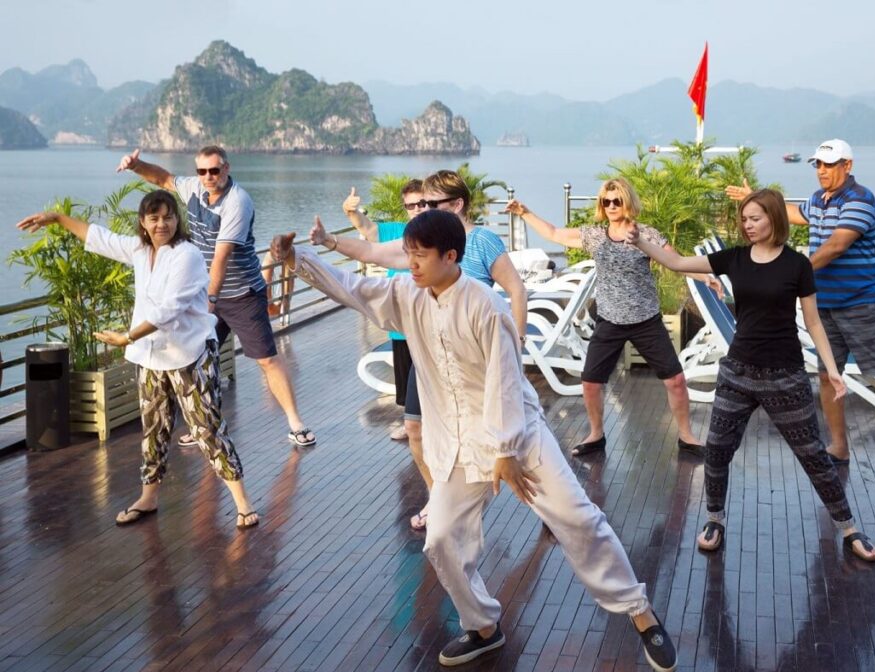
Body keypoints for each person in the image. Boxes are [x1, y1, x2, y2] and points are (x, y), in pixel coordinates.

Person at [270, 210, 678, 672]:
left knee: (578, 520)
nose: (411, 263)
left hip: (518, 436)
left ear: (450, 256)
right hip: (458, 440)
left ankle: (640, 613)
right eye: (409, 254)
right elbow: (351, 288)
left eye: (420, 255)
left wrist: (505, 451)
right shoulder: (406, 294)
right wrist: (296, 259)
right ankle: (483, 625)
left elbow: (506, 379)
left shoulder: (485, 304)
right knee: (441, 537)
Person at [629, 189, 875, 561]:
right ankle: (715, 518)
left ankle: (848, 526)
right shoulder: (735, 258)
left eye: (755, 218)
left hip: (785, 375)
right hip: (739, 371)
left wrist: (831, 370)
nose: (747, 225)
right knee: (716, 451)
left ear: (774, 219)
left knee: (812, 454)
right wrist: (643, 243)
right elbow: (679, 263)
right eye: (744, 219)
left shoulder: (797, 266)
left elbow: (812, 321)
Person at [16, 191, 259, 529]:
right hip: (151, 357)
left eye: (168, 216)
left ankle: (243, 503)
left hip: (189, 355)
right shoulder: (140, 250)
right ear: (143, 223)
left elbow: (169, 310)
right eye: (154, 217)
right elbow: (99, 237)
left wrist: (126, 337)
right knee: (154, 429)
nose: (162, 223)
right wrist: (57, 219)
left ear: (177, 219)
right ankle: (148, 498)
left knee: (207, 429)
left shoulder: (187, 255)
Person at [312, 169, 528, 530]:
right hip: (428, 346)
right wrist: (328, 241)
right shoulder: (421, 240)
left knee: (508, 441)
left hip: (475, 354)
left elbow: (516, 290)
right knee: (415, 429)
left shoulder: (483, 242)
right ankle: (439, 500)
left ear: (456, 204)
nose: (422, 208)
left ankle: (549, 504)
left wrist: (516, 343)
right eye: (419, 202)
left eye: (431, 202)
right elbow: (371, 251)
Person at [726, 140, 875, 479]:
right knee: (830, 376)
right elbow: (794, 213)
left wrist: (791, 273)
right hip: (824, 304)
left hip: (861, 303)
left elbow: (836, 245)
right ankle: (839, 447)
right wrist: (755, 198)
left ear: (848, 165)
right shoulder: (818, 200)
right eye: (818, 165)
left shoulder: (861, 199)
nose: (822, 171)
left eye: (830, 164)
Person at [116, 146, 316, 448]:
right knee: (198, 360)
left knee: (266, 360)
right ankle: (204, 426)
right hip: (206, 293)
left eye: (215, 170)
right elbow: (163, 179)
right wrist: (136, 165)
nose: (208, 176)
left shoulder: (238, 201)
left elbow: (221, 256)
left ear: (227, 168)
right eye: (202, 171)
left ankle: (296, 423)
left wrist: (208, 302)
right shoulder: (194, 189)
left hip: (242, 294)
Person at [506, 178, 705, 458]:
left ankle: (686, 436)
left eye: (617, 200)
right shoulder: (595, 235)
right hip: (609, 320)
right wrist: (525, 213)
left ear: (628, 202)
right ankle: (596, 435)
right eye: (606, 201)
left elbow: (677, 262)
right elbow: (553, 233)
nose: (611, 206)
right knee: (590, 381)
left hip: (646, 319)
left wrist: (707, 278)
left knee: (675, 380)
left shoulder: (645, 233)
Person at [341, 180, 426, 445]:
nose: (416, 209)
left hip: (429, 320)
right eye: (410, 205)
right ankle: (411, 421)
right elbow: (368, 230)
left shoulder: (442, 234)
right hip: (401, 323)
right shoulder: (397, 232)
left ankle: (433, 424)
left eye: (421, 203)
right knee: (406, 377)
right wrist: (351, 212)